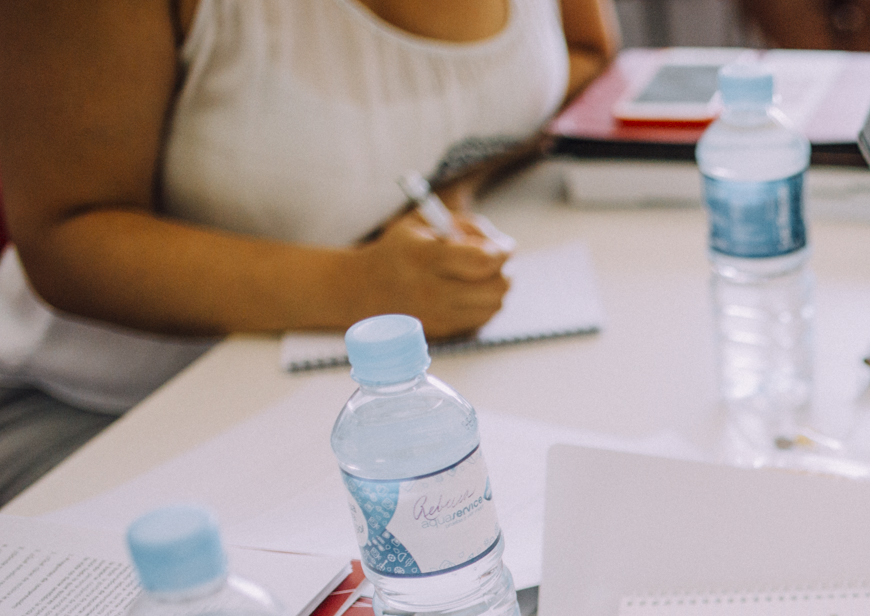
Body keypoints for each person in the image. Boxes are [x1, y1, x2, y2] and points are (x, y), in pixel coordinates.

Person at [0, 0, 619, 507]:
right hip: (108, 415)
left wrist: (449, 182)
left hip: (358, 392)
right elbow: (65, 234)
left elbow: (585, 56)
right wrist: (360, 289)